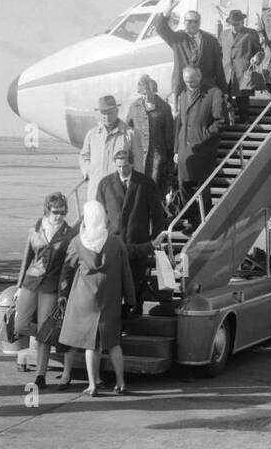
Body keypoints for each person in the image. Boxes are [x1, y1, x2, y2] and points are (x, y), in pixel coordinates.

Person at [59, 202, 138, 396]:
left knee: (89, 344)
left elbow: (67, 270)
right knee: (113, 343)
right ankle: (120, 382)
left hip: (84, 299)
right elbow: (126, 274)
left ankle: (92, 385)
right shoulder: (116, 242)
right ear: (103, 218)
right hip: (110, 299)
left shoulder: (77, 242)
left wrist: (62, 293)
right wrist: (131, 300)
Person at [14, 192, 80, 390]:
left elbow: (66, 268)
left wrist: (62, 294)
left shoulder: (69, 234)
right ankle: (53, 336)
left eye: (62, 212)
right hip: (31, 281)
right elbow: (27, 257)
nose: (58, 215)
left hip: (51, 286)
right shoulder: (37, 226)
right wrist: (18, 286)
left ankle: (40, 376)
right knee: (20, 325)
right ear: (47, 210)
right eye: (55, 212)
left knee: (43, 332)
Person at [95, 148, 166, 309]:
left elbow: (156, 213)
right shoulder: (105, 184)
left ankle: (135, 311)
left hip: (138, 241)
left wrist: (156, 238)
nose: (122, 169)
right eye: (118, 166)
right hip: (114, 242)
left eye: (125, 166)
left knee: (136, 281)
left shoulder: (146, 183)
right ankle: (119, 316)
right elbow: (98, 213)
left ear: (132, 164)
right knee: (115, 282)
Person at [174, 65, 228, 228]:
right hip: (185, 149)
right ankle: (191, 220)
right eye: (186, 81)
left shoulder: (214, 94)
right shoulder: (183, 95)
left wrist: (203, 136)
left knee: (202, 187)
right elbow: (180, 124)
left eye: (192, 81)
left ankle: (204, 221)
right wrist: (176, 149)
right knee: (183, 184)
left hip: (204, 149)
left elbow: (221, 122)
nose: (189, 84)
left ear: (200, 77)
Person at [153, 0, 226, 99]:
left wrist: (223, 91)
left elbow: (218, 68)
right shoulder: (177, 39)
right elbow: (160, 28)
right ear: (183, 22)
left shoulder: (211, 40)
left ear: (200, 23)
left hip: (206, 90)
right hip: (183, 89)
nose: (192, 24)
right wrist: (169, 9)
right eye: (189, 21)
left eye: (195, 21)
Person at [79, 94, 143, 204]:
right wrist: (88, 171)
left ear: (117, 111)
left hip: (120, 194)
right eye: (103, 114)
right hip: (95, 192)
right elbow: (84, 156)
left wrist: (135, 191)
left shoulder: (130, 134)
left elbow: (138, 166)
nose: (106, 117)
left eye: (110, 113)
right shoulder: (92, 134)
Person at [127, 74, 174, 197]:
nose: (145, 96)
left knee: (155, 190)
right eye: (142, 93)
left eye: (148, 92)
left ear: (154, 91)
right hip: (139, 157)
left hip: (157, 157)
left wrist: (170, 158)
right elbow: (128, 130)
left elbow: (169, 135)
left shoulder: (164, 108)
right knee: (139, 190)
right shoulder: (134, 107)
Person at [220, 8, 263, 115]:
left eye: (237, 24)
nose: (234, 26)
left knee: (243, 98)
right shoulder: (223, 35)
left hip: (243, 71)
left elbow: (259, 50)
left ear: (242, 22)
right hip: (226, 72)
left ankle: (245, 121)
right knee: (225, 97)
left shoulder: (251, 33)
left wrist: (257, 56)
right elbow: (219, 52)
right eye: (232, 24)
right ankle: (228, 122)